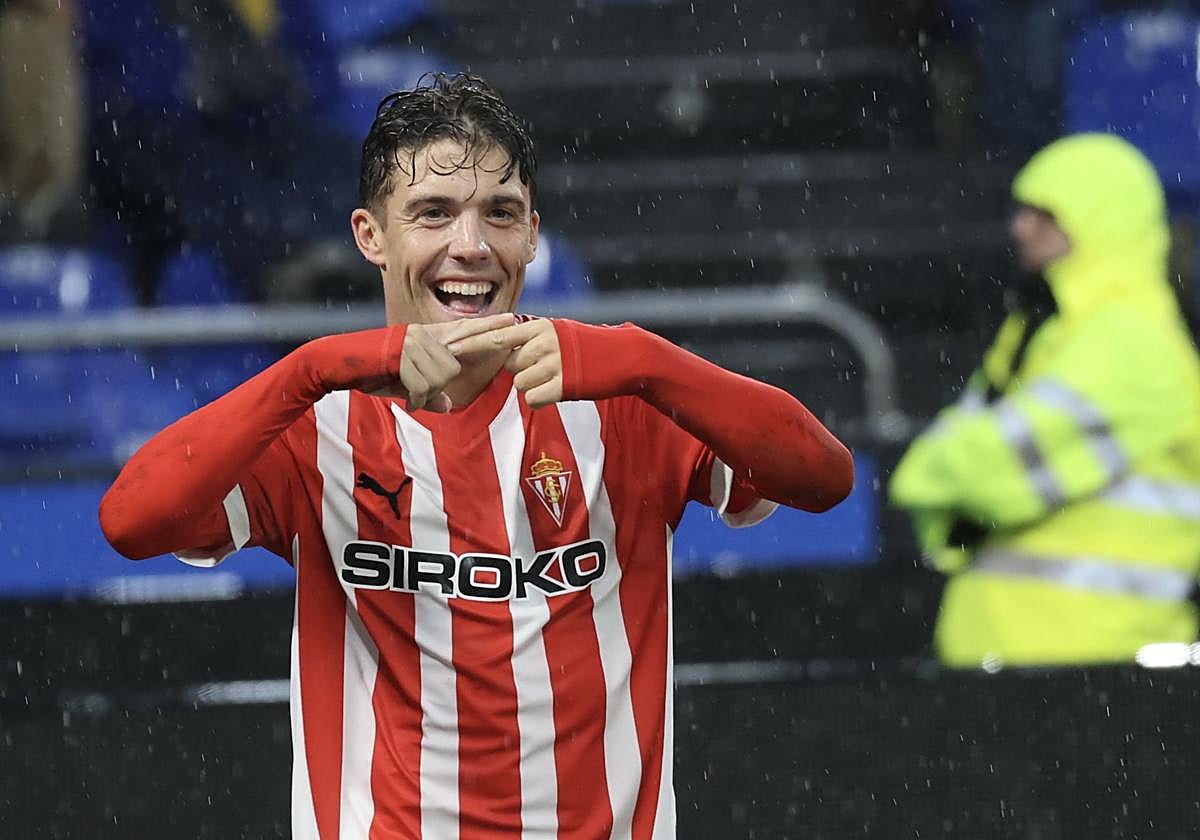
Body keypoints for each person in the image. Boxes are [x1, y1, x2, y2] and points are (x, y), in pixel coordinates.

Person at [98, 73, 854, 838]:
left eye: (500, 214)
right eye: (433, 214)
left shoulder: (623, 396)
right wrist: (306, 369)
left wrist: (648, 359)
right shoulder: (316, 422)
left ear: (532, 235)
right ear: (371, 237)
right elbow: (130, 520)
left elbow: (825, 478)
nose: (471, 247)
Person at [889, 133, 1200, 668]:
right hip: (1023, 661)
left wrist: (931, 476)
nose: (1020, 227)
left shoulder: (1132, 341)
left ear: (1103, 221)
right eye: (1023, 211)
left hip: (1104, 669)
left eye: (1046, 214)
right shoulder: (1045, 329)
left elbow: (980, 473)